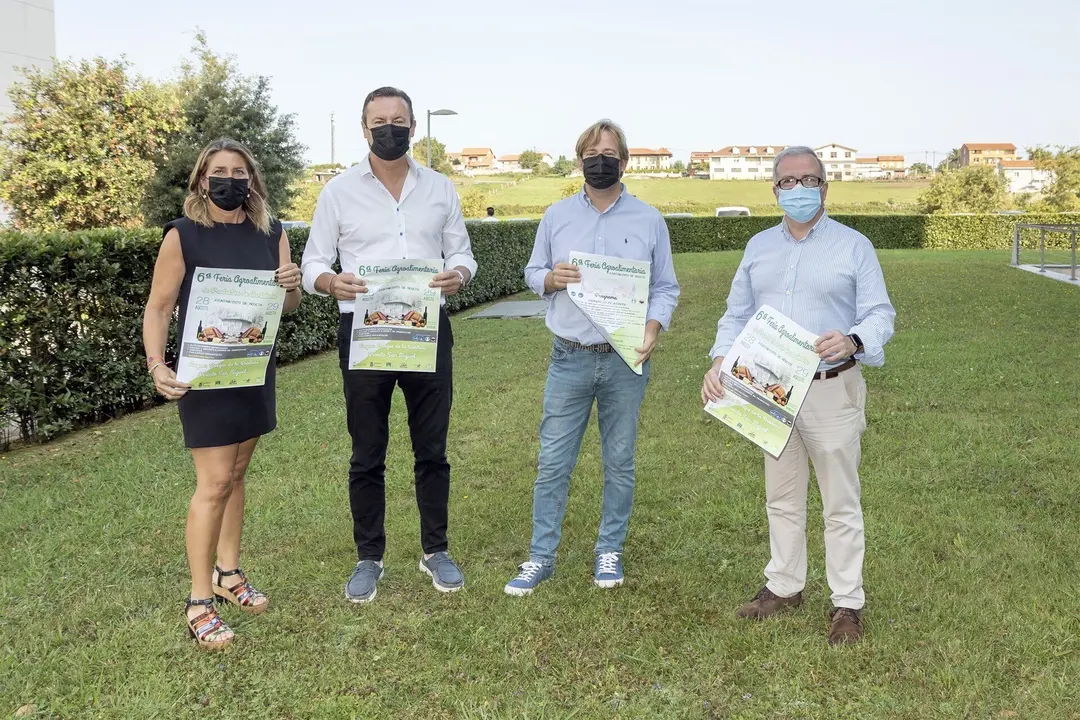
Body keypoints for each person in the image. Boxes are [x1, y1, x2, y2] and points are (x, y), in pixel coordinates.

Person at [701, 145, 895, 645]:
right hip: (770, 391)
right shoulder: (758, 247)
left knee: (840, 503)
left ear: (825, 187)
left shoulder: (855, 246)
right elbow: (736, 314)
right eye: (788, 181)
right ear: (775, 190)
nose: (799, 188)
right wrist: (720, 360)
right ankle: (784, 587)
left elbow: (880, 315)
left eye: (809, 179)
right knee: (781, 496)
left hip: (832, 387)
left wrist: (853, 339)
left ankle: (847, 603)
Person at [301, 86, 477, 603]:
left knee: (433, 450)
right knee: (367, 452)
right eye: (379, 121)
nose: (390, 128)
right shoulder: (337, 192)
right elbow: (313, 261)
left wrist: (459, 276)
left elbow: (463, 254)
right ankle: (368, 557)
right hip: (365, 334)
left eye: (399, 120)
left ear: (413, 127)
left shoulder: (441, 188)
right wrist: (331, 283)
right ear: (364, 128)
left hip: (427, 331)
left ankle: (435, 551)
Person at [504, 119, 680, 596]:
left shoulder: (648, 219)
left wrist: (653, 326)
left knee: (619, 460)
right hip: (570, 357)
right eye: (590, 153)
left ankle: (610, 549)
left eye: (609, 153)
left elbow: (665, 287)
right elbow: (532, 271)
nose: (599, 161)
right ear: (580, 159)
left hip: (626, 360)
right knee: (553, 462)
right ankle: (541, 556)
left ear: (623, 162)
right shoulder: (556, 215)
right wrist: (549, 280)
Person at [143, 138, 302, 649]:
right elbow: (159, 308)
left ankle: (228, 574)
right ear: (201, 181)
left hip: (253, 370)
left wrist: (293, 284)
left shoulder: (272, 233)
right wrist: (156, 363)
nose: (229, 180)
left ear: (251, 181)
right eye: (218, 172)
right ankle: (198, 601)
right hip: (203, 376)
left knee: (236, 475)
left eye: (239, 172)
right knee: (212, 483)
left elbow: (290, 306)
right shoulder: (183, 236)